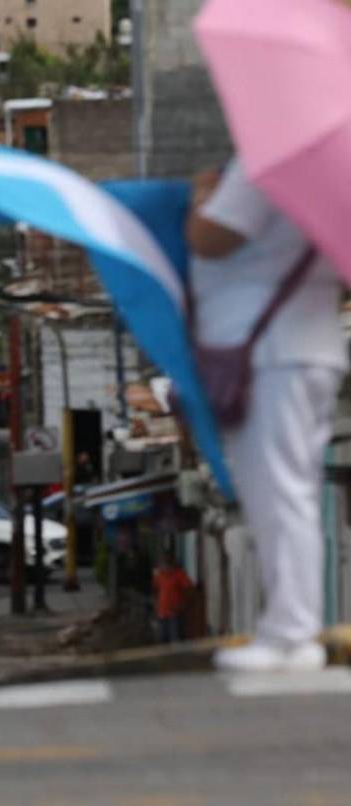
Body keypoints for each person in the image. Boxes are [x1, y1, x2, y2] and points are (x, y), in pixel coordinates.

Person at [188, 159, 347, 673]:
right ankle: (291, 629)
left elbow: (212, 237)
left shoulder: (267, 166)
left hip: (270, 354)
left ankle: (290, 634)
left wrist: (201, 196)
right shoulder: (328, 175)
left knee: (277, 492)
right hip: (304, 346)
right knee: (290, 490)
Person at [152, 552, 193, 644]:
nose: (164, 565)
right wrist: (156, 605)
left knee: (175, 638)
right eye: (162, 562)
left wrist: (182, 604)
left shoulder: (179, 574)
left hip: (174, 612)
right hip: (161, 611)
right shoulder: (159, 575)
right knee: (161, 638)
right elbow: (155, 590)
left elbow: (189, 589)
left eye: (166, 562)